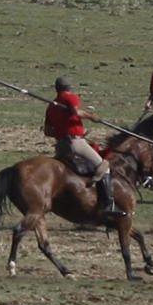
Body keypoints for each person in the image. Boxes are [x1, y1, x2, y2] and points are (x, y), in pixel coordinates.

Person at [43, 76, 125, 217]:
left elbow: (47, 131)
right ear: (69, 87)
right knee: (104, 167)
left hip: (61, 146)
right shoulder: (71, 98)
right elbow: (77, 112)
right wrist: (92, 116)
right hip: (75, 144)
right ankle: (107, 205)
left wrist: (62, 131)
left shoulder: (52, 106)